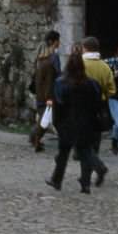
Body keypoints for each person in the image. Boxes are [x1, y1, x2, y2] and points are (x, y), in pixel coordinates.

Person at [46, 48, 104, 194]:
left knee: (63, 153)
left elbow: (58, 105)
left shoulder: (61, 83)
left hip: (67, 123)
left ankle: (57, 180)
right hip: (86, 123)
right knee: (84, 152)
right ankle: (85, 184)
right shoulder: (92, 84)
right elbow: (97, 104)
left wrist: (57, 123)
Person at [80, 36, 114, 178]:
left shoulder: (79, 64)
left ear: (85, 48)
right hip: (99, 106)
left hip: (82, 105)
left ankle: (97, 168)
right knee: (95, 140)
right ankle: (85, 176)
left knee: (82, 142)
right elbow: (112, 89)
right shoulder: (105, 66)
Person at [30, 30, 61, 152]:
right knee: (46, 119)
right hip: (48, 94)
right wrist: (50, 97)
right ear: (53, 42)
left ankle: (34, 138)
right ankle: (35, 139)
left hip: (41, 93)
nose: (60, 43)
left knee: (46, 118)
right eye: (58, 40)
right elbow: (52, 79)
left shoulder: (41, 58)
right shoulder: (52, 59)